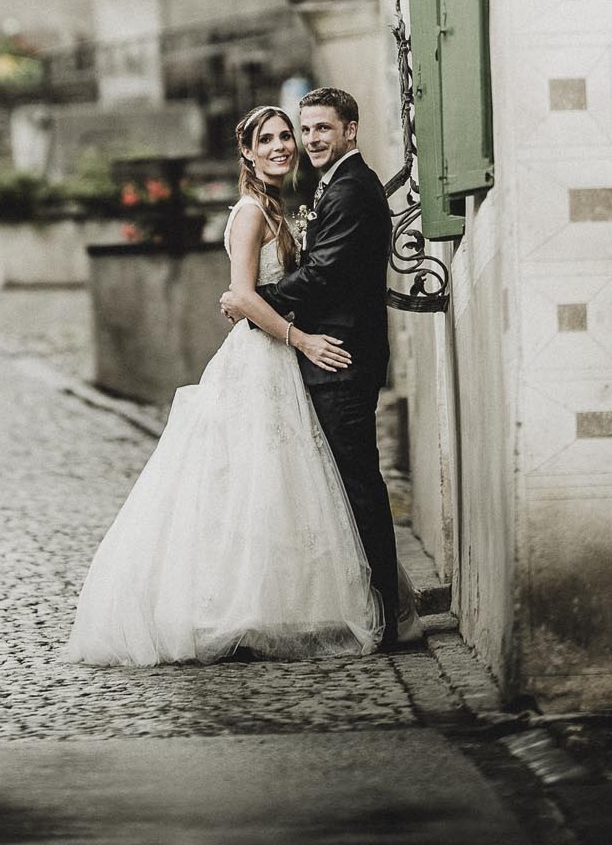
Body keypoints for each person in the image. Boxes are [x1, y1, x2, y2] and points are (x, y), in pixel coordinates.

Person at [62, 105, 382, 666]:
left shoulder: (278, 207)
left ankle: (282, 600)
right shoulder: (250, 212)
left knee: (282, 485)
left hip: (280, 356)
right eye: (272, 139)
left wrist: (272, 320)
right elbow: (243, 293)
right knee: (247, 483)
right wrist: (301, 339)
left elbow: (256, 295)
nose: (285, 146)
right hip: (265, 354)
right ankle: (229, 604)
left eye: (291, 135)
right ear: (248, 153)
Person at [221, 86, 402, 651]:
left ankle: (382, 614)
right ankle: (349, 604)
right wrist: (254, 301)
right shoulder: (268, 206)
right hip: (306, 352)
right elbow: (260, 284)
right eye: (301, 130)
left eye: (319, 128)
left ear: (350, 130)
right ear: (248, 153)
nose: (303, 141)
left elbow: (320, 274)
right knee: (304, 485)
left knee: (352, 484)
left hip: (337, 354)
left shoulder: (349, 190)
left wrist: (257, 300)